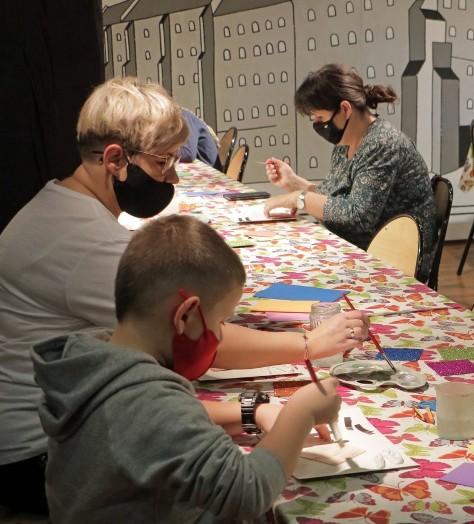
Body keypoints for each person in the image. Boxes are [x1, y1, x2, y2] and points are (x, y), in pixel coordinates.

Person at [0, 77, 367, 515]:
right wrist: (306, 353)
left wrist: (253, 409)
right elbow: (209, 359)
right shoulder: (87, 247)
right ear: (115, 158)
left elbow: (140, 412)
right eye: (162, 163)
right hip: (32, 459)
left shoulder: (59, 208)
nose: (173, 176)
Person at [31, 214, 342, 522]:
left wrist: (254, 411)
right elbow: (248, 491)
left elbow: (163, 422)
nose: (220, 335)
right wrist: (302, 412)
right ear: (186, 315)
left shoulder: (97, 365)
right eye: (221, 321)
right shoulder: (147, 401)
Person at [263, 63, 437, 283]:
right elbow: (337, 197)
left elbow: (358, 215)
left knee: (285, 273)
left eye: (319, 117)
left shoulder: (381, 144)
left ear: (345, 109)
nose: (317, 124)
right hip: (361, 249)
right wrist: (296, 183)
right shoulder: (346, 143)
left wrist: (299, 198)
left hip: (391, 263)